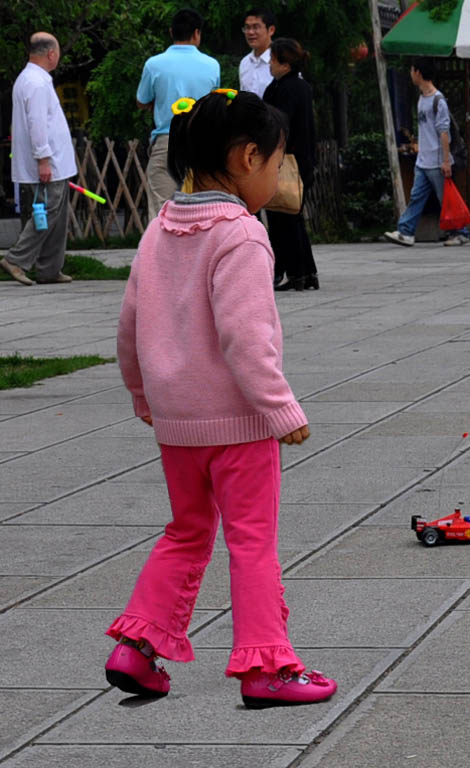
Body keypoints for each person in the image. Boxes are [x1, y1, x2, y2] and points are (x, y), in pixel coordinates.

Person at [105, 89, 337, 708]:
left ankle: (138, 646)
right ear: (246, 157)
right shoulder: (241, 234)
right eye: (277, 165)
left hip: (176, 423)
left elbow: (128, 327)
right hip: (238, 423)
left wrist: (142, 394)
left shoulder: (161, 227)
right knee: (251, 539)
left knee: (185, 531)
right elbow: (246, 338)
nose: (280, 178)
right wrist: (281, 409)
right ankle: (266, 666)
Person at [1, 33, 76, 286]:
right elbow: (37, 123)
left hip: (56, 162)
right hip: (48, 162)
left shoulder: (32, 79)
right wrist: (43, 158)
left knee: (56, 215)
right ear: (51, 54)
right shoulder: (35, 82)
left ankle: (50, 268)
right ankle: (16, 259)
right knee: (48, 211)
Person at [137, 8, 220, 220]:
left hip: (167, 139)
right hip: (202, 142)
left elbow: (142, 101)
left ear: (171, 31)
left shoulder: (153, 64)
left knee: (162, 210)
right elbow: (213, 102)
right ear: (196, 33)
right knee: (203, 208)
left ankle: (163, 253)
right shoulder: (212, 65)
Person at [384, 57, 470, 248]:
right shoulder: (422, 99)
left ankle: (460, 231)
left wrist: (446, 160)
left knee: (445, 199)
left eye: (412, 70)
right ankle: (406, 231)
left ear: (418, 73)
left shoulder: (438, 101)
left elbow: (444, 132)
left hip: (437, 160)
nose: (411, 74)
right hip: (424, 160)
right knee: (416, 196)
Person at [263, 37, 319, 290]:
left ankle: (295, 272)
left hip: (285, 161)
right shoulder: (302, 87)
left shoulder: (281, 90)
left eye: (273, 60)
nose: (270, 65)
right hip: (304, 160)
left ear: (285, 63)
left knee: (282, 217)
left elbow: (276, 124)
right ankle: (305, 272)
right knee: (294, 217)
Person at [239, 8, 276, 99]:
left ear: (271, 30)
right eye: (247, 28)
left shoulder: (282, 61)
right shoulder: (245, 62)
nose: (250, 32)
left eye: (256, 27)